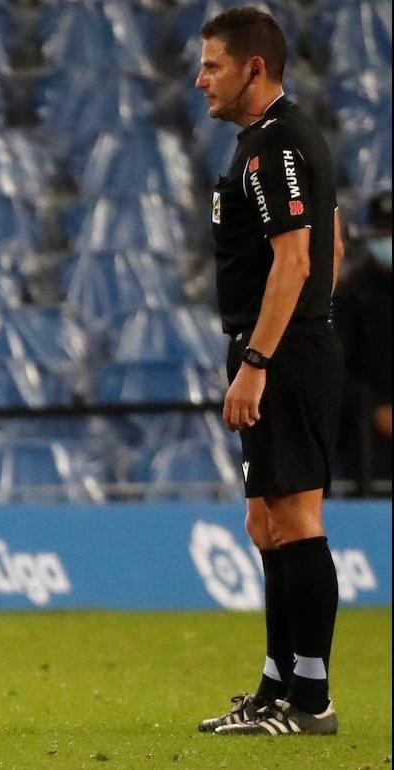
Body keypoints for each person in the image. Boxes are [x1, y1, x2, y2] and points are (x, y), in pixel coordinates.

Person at [194, 8, 344, 736]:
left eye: (214, 65)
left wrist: (261, 358)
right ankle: (278, 686)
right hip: (283, 343)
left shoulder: (277, 144)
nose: (200, 80)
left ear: (255, 68)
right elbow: (332, 244)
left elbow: (298, 257)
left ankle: (310, 701)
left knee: (295, 519)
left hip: (280, 351)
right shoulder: (269, 142)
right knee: (265, 522)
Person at [333, 193, 392, 495]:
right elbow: (336, 367)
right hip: (366, 427)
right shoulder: (351, 294)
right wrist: (375, 408)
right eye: (384, 233)